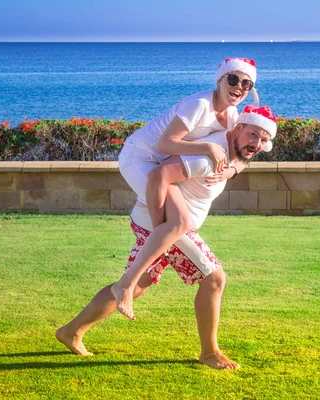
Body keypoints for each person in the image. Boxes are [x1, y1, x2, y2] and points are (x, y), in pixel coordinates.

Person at [56, 106, 278, 370]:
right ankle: (209, 353)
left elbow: (240, 157)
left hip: (155, 222)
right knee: (214, 278)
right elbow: (159, 175)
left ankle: (71, 331)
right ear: (238, 129)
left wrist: (232, 170)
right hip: (167, 225)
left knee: (139, 284)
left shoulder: (230, 148)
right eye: (253, 135)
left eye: (263, 140)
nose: (257, 144)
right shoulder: (208, 158)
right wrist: (162, 224)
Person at [112, 58, 261, 320]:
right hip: (141, 158)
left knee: (176, 227)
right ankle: (125, 284)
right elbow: (166, 143)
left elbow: (239, 153)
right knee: (178, 223)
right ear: (220, 80)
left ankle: (78, 326)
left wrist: (232, 170)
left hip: (164, 167)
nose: (239, 87)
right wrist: (207, 148)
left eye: (246, 83)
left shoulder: (232, 117)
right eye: (233, 79)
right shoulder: (200, 104)